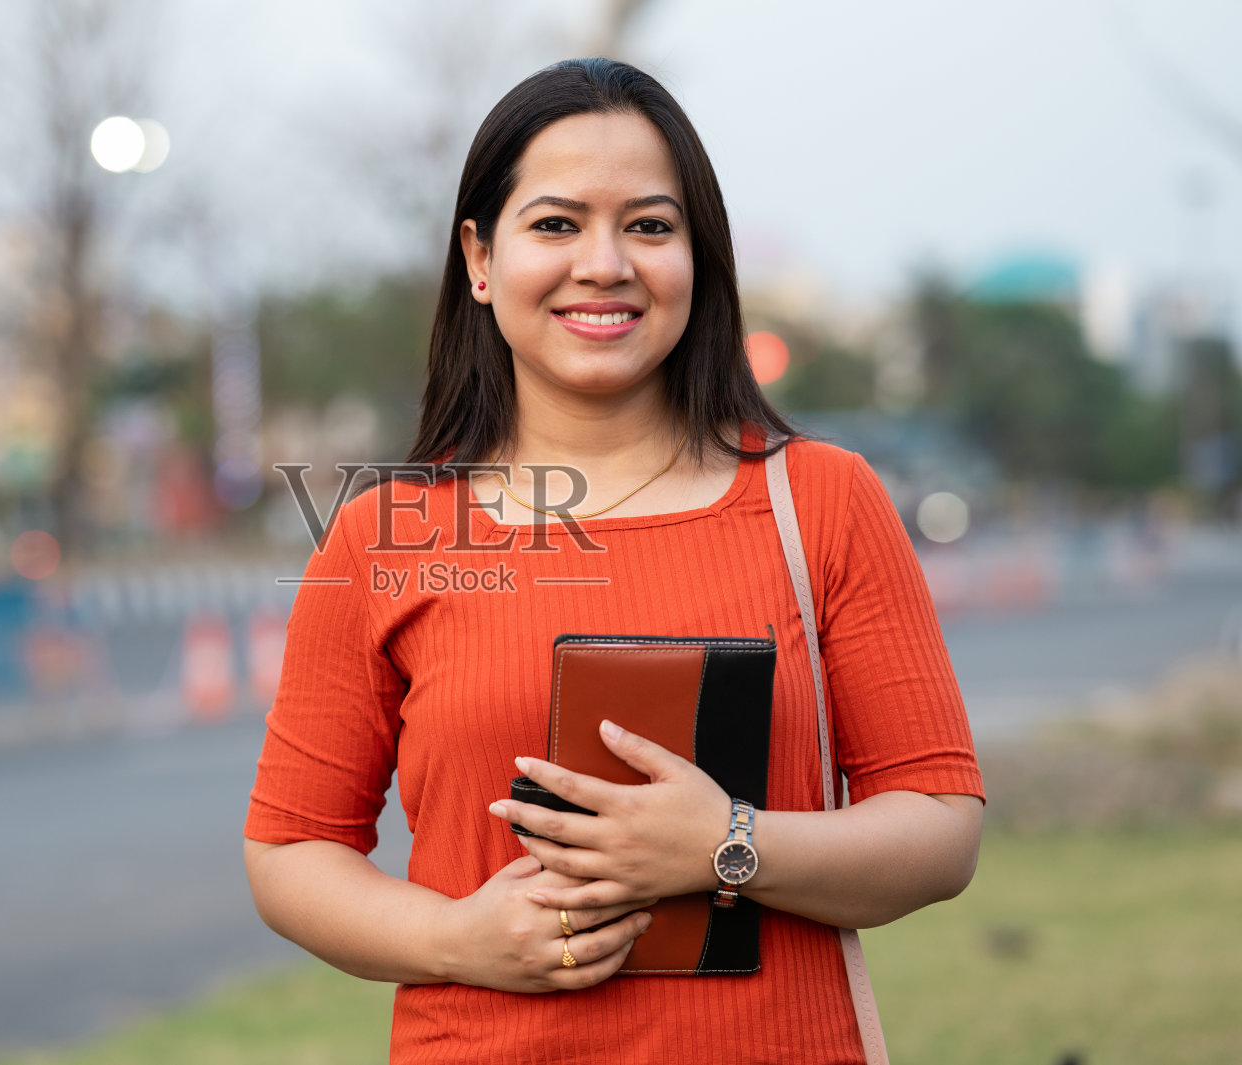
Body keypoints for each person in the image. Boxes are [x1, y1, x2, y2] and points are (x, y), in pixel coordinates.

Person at [243, 57, 984, 1064]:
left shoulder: (822, 501)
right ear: (478, 256)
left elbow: (939, 830)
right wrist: (454, 939)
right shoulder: (386, 534)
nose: (605, 265)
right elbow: (290, 851)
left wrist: (726, 844)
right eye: (555, 224)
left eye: (648, 225)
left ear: (697, 257)